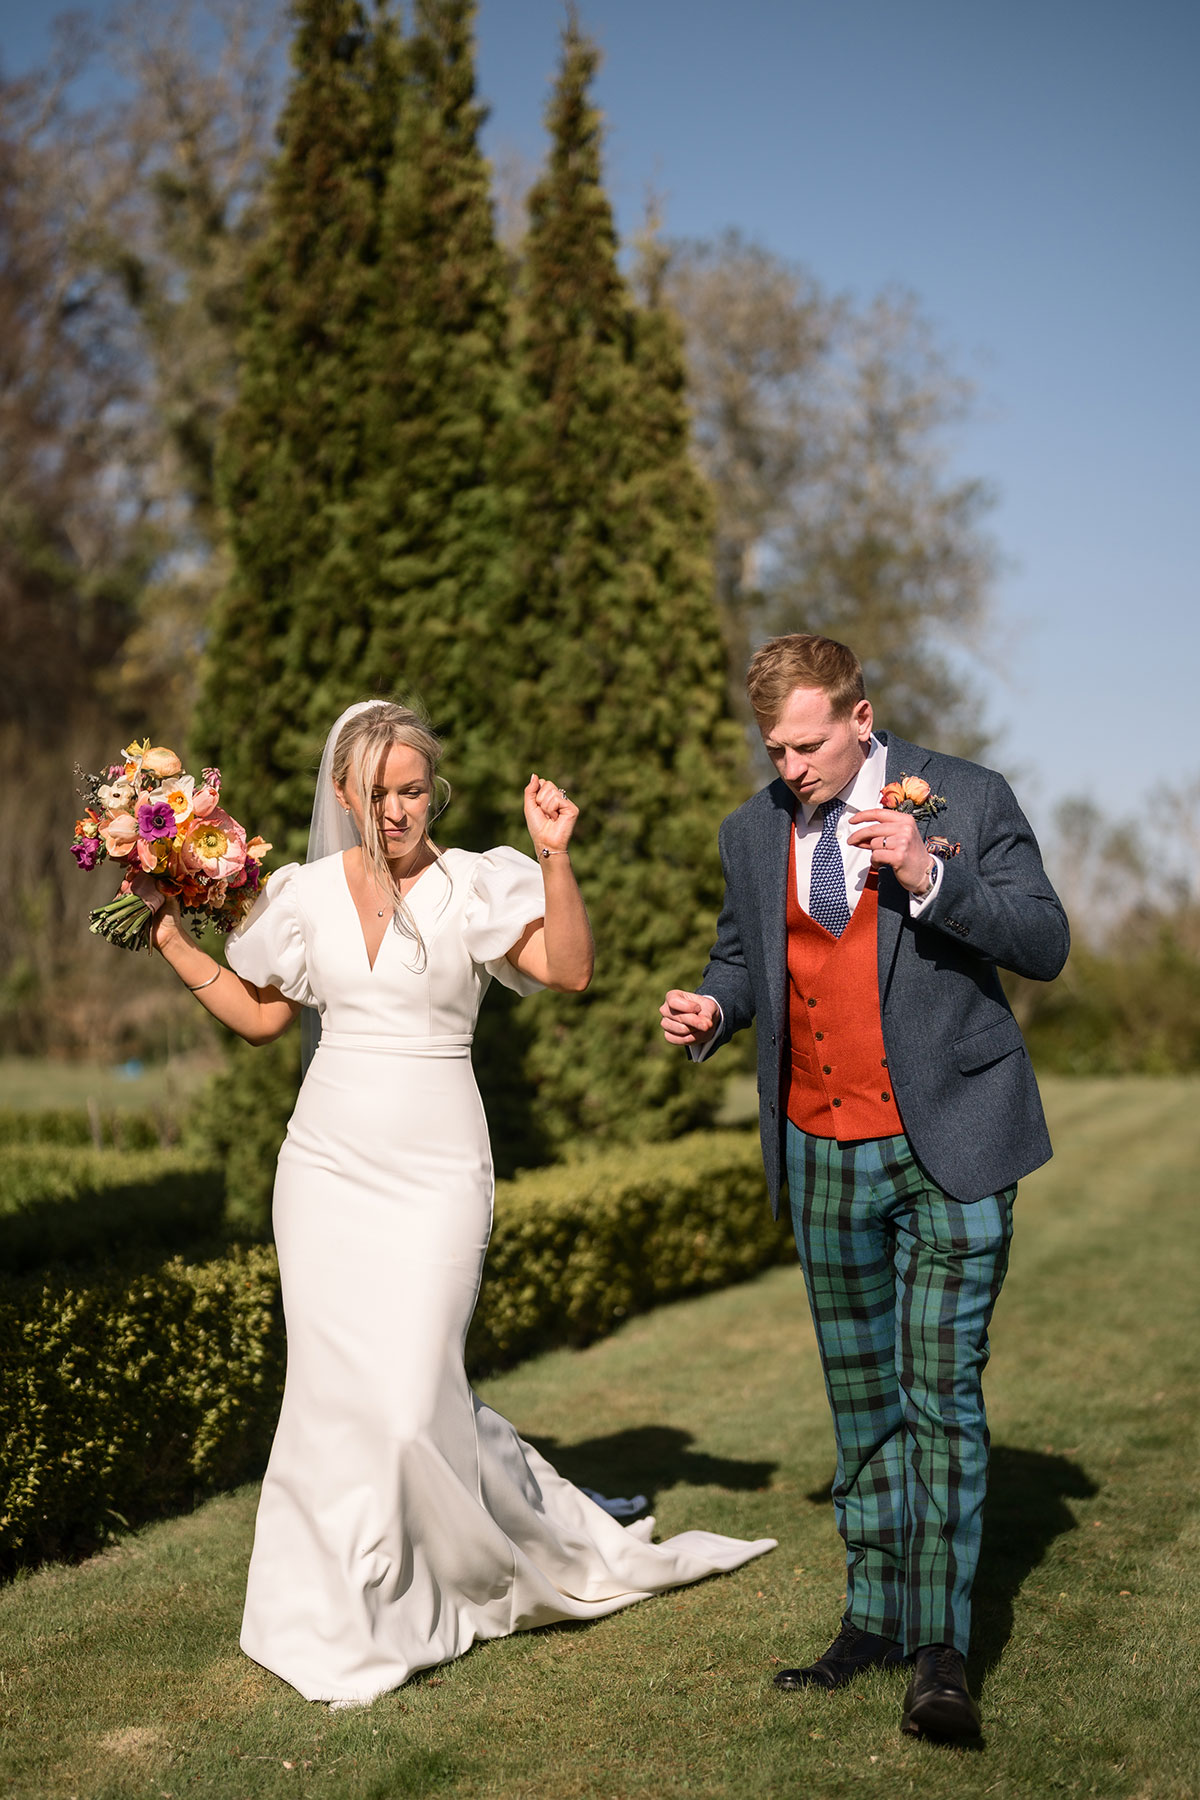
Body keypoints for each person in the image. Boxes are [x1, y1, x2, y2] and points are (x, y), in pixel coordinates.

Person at [150, 699, 774, 1708]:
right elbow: (264, 1019)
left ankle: (473, 1567)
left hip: (439, 1170)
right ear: (345, 793)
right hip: (325, 1169)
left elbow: (569, 970)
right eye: (379, 791)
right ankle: (336, 1609)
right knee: (333, 1396)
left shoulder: (475, 882)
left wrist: (555, 856)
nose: (397, 809)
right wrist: (178, 949)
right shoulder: (300, 894)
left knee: (407, 1398)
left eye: (413, 790)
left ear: (430, 791)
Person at [659, 636, 1068, 1743]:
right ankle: (873, 1617)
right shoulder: (751, 833)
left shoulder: (967, 797)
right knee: (863, 1410)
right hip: (819, 1144)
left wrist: (935, 877)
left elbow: (1044, 939)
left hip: (954, 1143)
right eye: (775, 747)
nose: (791, 766)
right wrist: (714, 1008)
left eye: (808, 742)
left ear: (861, 715)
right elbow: (743, 957)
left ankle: (942, 1652)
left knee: (940, 1394)